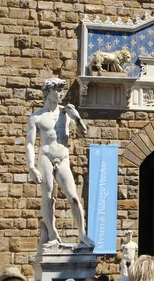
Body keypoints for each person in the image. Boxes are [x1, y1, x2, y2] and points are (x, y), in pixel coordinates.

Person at [26, 78, 94, 247]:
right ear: (47, 93)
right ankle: (52, 233)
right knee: (48, 197)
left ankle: (82, 234)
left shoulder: (66, 112)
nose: (60, 94)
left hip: (63, 158)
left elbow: (82, 133)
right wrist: (31, 167)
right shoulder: (37, 117)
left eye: (61, 90)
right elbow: (30, 143)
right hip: (46, 156)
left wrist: (77, 119)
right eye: (56, 90)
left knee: (74, 198)